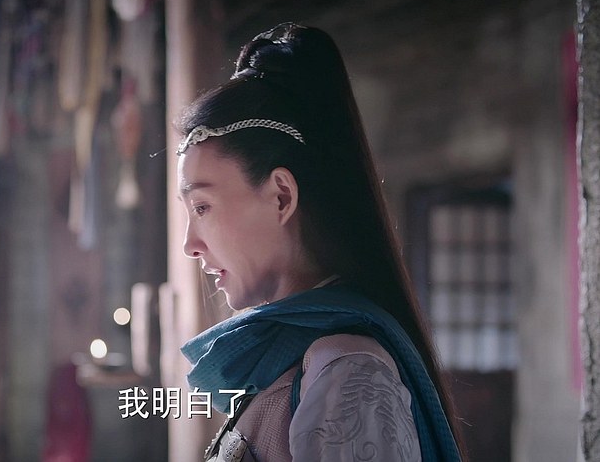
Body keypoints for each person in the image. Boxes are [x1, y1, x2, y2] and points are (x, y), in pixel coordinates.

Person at [175, 23, 464, 461]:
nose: (189, 244)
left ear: (281, 196)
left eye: (202, 207)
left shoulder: (347, 370)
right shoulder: (296, 356)